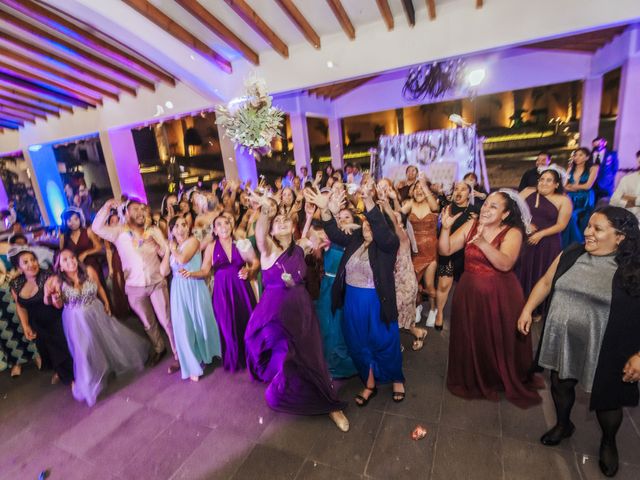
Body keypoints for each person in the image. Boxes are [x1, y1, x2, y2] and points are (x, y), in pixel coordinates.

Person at [518, 207, 640, 478]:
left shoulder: (633, 270)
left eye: (597, 229)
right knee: (561, 386)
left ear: (620, 237)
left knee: (608, 402)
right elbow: (547, 281)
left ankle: (608, 441)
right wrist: (528, 308)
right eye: (588, 226)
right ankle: (563, 425)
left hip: (606, 347)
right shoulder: (572, 252)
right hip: (564, 341)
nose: (587, 232)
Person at [244, 190, 349, 432]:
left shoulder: (301, 245)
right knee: (287, 355)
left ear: (293, 227)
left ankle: (331, 404)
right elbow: (260, 235)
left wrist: (319, 214)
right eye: (276, 221)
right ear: (272, 230)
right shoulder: (268, 248)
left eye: (284, 220)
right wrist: (266, 211)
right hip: (276, 313)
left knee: (313, 355)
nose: (280, 222)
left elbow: (320, 239)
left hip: (301, 309)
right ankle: (294, 386)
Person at [439, 190, 541, 408]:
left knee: (495, 336)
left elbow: (505, 264)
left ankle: (497, 376)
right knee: (470, 334)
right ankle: (474, 376)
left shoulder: (512, 232)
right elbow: (445, 249)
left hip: (500, 294)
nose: (485, 208)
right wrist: (446, 228)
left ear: (504, 214)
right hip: (469, 290)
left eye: (493, 206)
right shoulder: (471, 225)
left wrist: (483, 243)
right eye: (486, 204)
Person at [310, 182, 405, 406]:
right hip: (352, 302)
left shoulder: (387, 246)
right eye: (364, 224)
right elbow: (332, 230)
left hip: (376, 303)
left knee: (384, 342)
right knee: (358, 344)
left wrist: (369, 201)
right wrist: (325, 209)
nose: (366, 228)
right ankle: (369, 384)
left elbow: (380, 229)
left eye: (371, 225)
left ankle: (397, 378)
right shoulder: (354, 240)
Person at [45, 250, 148, 406]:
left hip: (95, 311)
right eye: (65, 260)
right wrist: (54, 297)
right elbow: (57, 305)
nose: (71, 261)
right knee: (84, 350)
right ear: (59, 266)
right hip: (76, 319)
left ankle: (110, 365)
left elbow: (99, 287)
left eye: (72, 257)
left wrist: (106, 302)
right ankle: (88, 384)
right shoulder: (56, 281)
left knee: (107, 338)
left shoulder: (88, 271)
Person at [92, 197, 179, 373]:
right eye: (135, 209)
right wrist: (107, 206)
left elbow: (164, 252)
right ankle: (159, 348)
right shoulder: (118, 232)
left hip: (156, 282)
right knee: (148, 323)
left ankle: (179, 354)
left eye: (142, 209)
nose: (140, 212)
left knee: (167, 320)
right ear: (125, 212)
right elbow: (96, 228)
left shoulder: (153, 230)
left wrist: (160, 245)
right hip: (134, 286)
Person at [181, 214, 257, 373]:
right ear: (215, 229)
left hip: (241, 289)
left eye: (227, 223)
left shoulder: (241, 243)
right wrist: (191, 274)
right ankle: (235, 358)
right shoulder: (211, 246)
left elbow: (255, 261)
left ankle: (252, 356)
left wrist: (249, 270)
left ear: (232, 225)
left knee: (246, 321)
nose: (224, 227)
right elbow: (205, 270)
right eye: (219, 225)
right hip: (222, 292)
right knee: (227, 325)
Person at [162, 216, 221, 381]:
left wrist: (172, 248)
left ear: (188, 228)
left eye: (183, 225)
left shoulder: (193, 241)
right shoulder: (174, 247)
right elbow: (163, 272)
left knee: (201, 321)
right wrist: (167, 251)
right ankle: (192, 364)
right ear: (172, 231)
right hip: (178, 289)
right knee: (183, 326)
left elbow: (183, 259)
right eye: (176, 226)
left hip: (194, 286)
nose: (180, 228)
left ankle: (209, 353)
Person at [9, 247, 74, 386]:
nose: (31, 264)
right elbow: (20, 306)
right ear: (19, 268)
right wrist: (26, 325)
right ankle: (61, 373)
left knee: (63, 351)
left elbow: (59, 301)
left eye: (33, 260)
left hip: (57, 320)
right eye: (25, 262)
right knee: (49, 353)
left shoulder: (48, 276)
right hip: (37, 325)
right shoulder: (15, 284)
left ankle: (72, 380)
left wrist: (56, 297)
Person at [312, 201, 358, 378]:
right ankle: (329, 364)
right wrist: (318, 244)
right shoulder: (328, 238)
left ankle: (343, 362)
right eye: (340, 217)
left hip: (347, 287)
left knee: (342, 326)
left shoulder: (356, 239)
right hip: (328, 287)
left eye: (347, 217)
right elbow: (315, 253)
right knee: (327, 325)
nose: (343, 220)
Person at [516, 166, 572, 304]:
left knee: (541, 274)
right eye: (541, 179)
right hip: (525, 239)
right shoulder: (528, 192)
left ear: (556, 184)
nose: (544, 183)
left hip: (548, 243)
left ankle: (537, 307)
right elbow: (513, 210)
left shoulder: (563, 200)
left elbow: (561, 225)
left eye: (549, 180)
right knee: (522, 269)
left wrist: (540, 234)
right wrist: (525, 224)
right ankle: (518, 301)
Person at [379, 194, 425, 349]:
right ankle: (418, 333)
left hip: (405, 282)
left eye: (397, 218)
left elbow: (393, 223)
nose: (394, 220)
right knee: (401, 314)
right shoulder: (387, 238)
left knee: (396, 313)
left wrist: (387, 207)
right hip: (395, 281)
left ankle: (396, 344)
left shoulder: (403, 237)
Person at [434, 181, 479, 330]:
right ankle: (439, 313)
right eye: (456, 189)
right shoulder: (447, 208)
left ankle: (466, 316)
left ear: (469, 193)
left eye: (463, 189)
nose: (459, 192)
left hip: (466, 253)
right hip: (448, 252)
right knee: (443, 285)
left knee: (466, 287)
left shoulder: (475, 211)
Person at [402, 173, 440, 326]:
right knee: (415, 283)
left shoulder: (433, 202)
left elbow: (435, 208)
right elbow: (398, 214)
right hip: (413, 250)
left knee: (429, 285)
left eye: (421, 187)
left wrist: (424, 186)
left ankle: (432, 309)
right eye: (416, 187)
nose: (418, 190)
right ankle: (417, 307)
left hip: (431, 251)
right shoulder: (409, 203)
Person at [0, 258, 40, 378]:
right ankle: (16, 363)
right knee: (4, 333)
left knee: (21, 324)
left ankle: (37, 355)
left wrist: (8, 275)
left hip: (6, 291)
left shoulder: (5, 248)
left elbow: (15, 268)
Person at [60, 207, 106, 289]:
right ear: (65, 222)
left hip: (92, 265)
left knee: (98, 289)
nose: (73, 223)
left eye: (76, 219)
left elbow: (99, 247)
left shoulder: (88, 231)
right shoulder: (64, 236)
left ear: (80, 219)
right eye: (69, 220)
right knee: (84, 292)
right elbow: (62, 254)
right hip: (76, 269)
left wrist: (86, 253)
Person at [562, 147, 599, 247]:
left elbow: (588, 186)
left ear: (587, 157)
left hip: (585, 198)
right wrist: (571, 188)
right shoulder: (570, 168)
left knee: (580, 219)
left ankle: (580, 243)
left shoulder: (593, 168)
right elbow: (564, 185)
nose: (576, 157)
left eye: (580, 155)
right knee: (568, 217)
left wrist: (572, 186)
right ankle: (569, 244)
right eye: (575, 155)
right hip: (571, 197)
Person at [609, 149, 640, 219]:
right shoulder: (627, 179)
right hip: (627, 221)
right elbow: (613, 200)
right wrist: (636, 202)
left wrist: (625, 197)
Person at [592, 137, 619, 206]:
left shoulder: (612, 154)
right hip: (591, 184)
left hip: (606, 184)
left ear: (605, 143)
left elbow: (615, 168)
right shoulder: (590, 155)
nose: (598, 145)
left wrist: (609, 179)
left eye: (599, 143)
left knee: (605, 204)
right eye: (596, 144)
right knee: (592, 204)